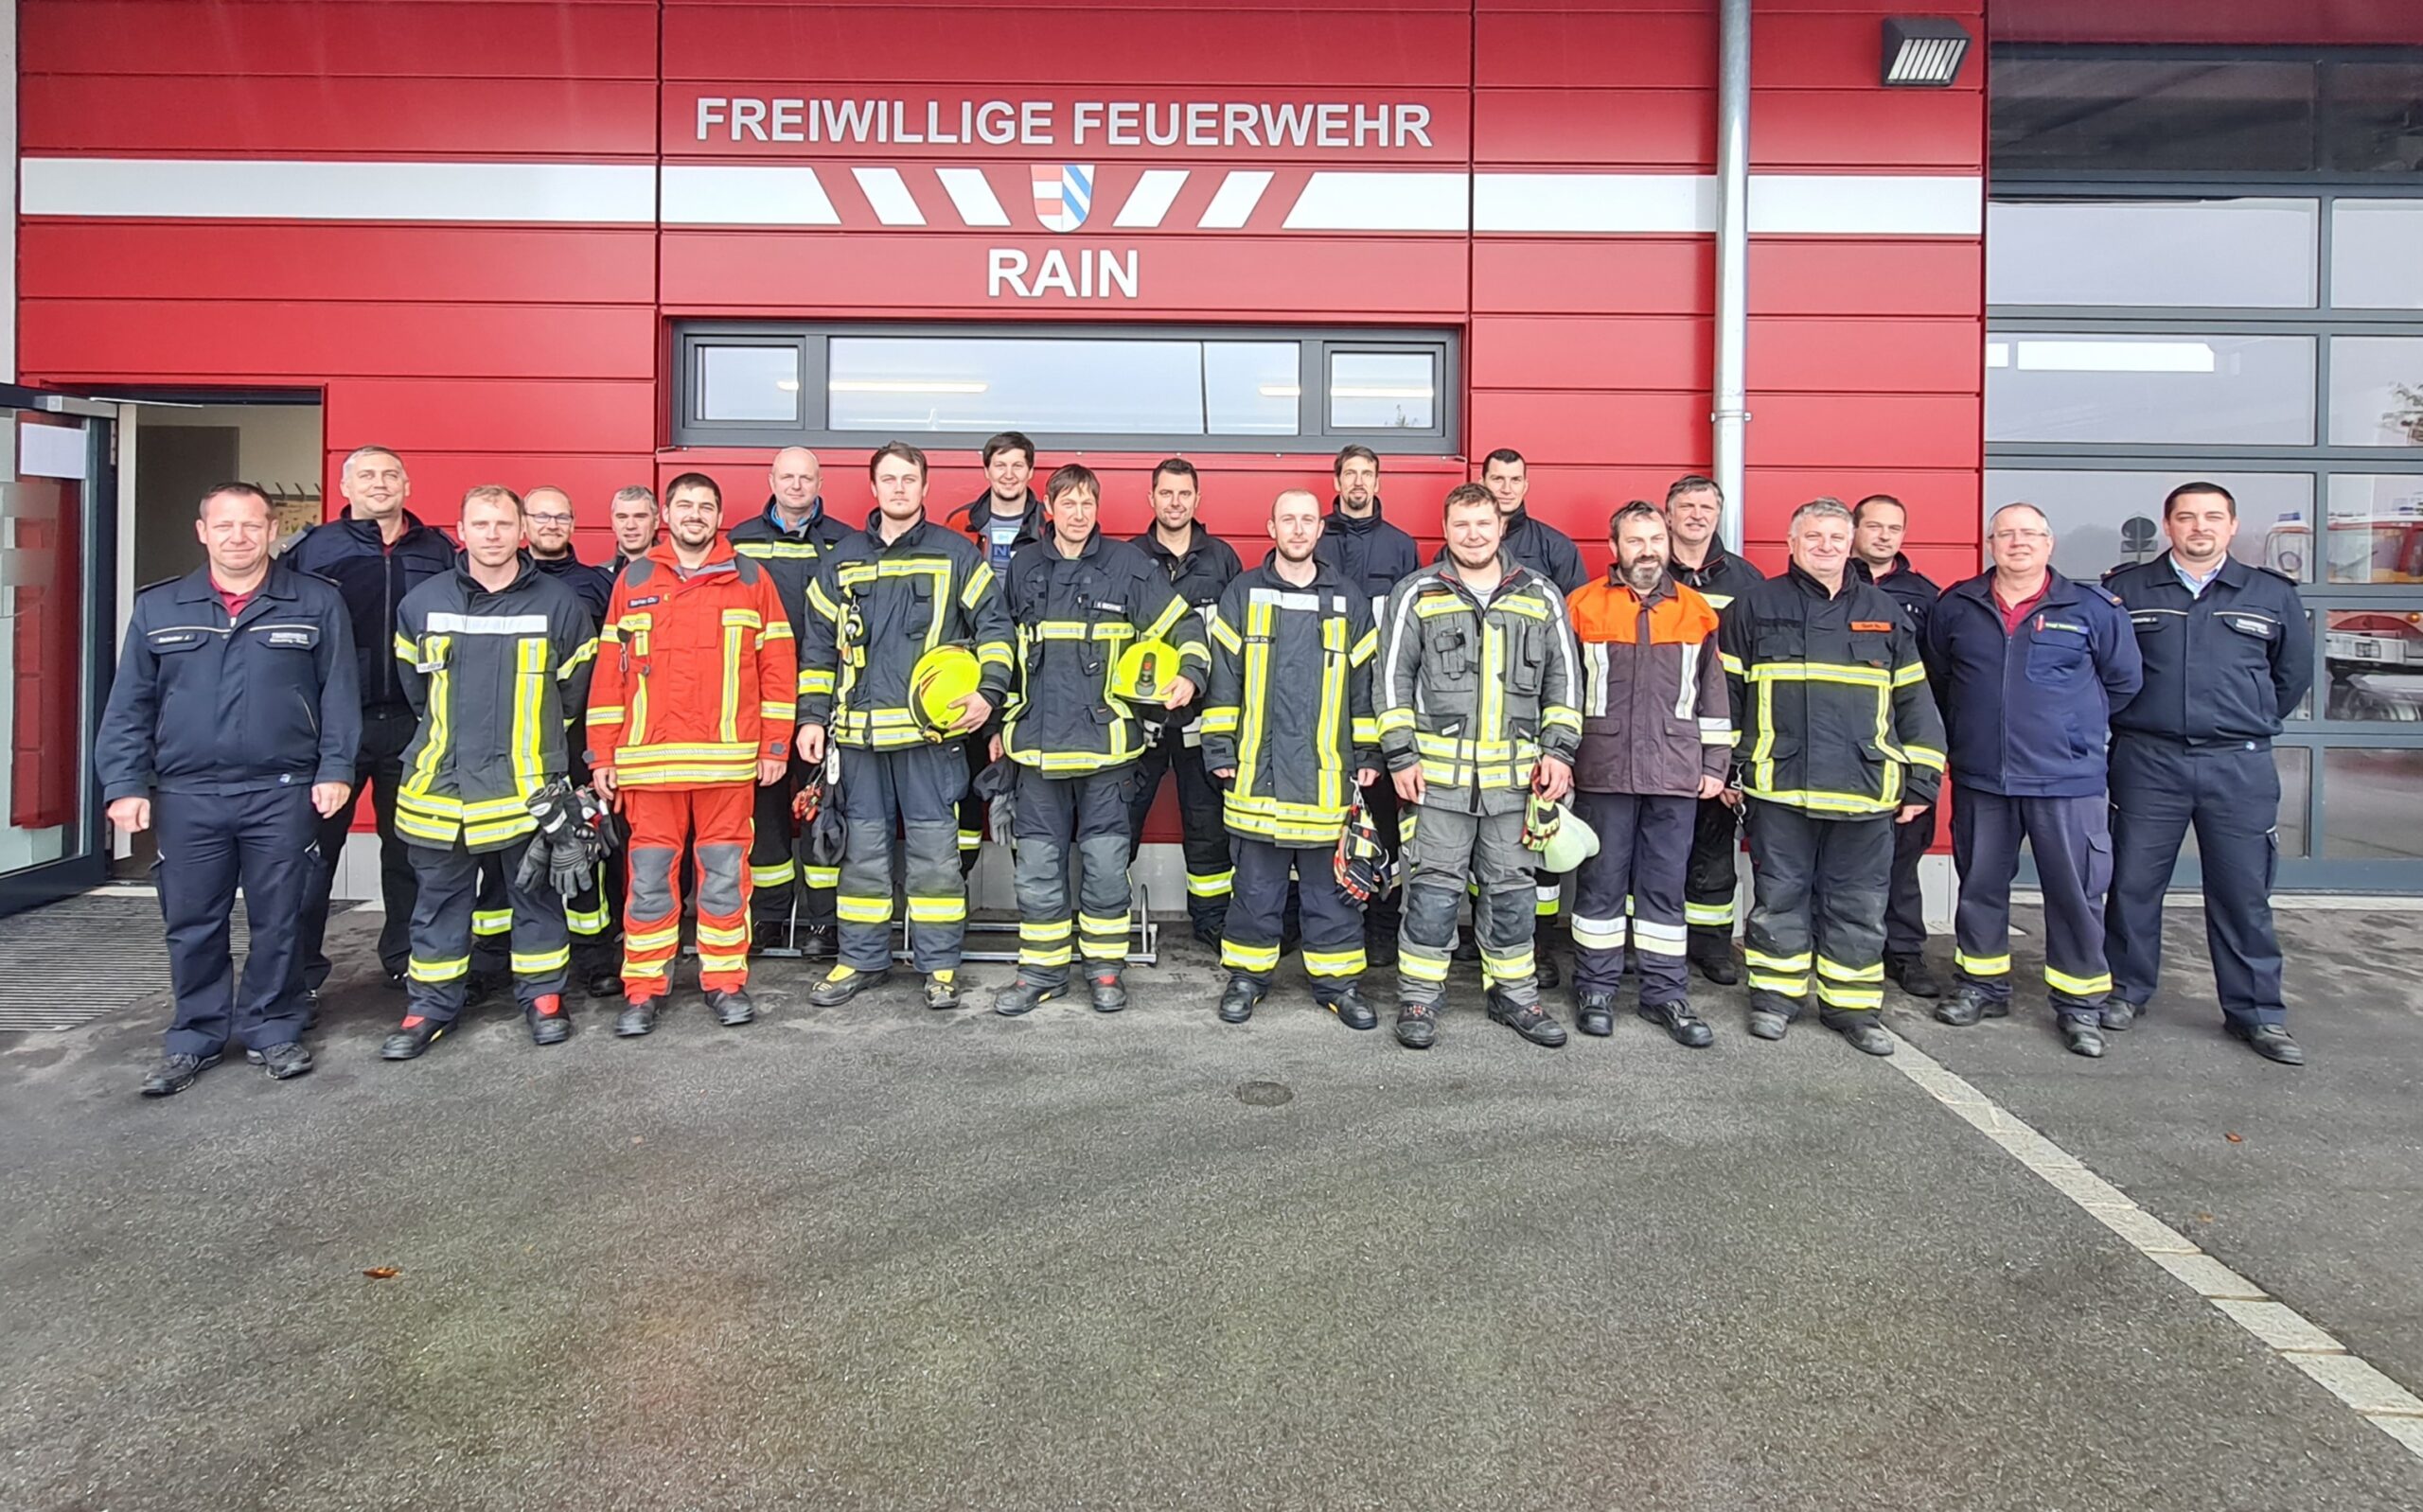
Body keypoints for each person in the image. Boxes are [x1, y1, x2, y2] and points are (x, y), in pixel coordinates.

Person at [99, 483, 360, 1096]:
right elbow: (130, 706)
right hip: (189, 793)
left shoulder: (315, 602)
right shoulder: (161, 607)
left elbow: (339, 695)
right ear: (203, 532)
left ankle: (274, 1027)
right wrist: (125, 783)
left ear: (273, 531)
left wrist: (335, 769)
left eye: (251, 525)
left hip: (284, 789)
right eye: (225, 526)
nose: (238, 537)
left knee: (282, 917)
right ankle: (196, 1035)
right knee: (191, 920)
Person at [1721, 498, 1944, 1057]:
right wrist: (1725, 766)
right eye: (1813, 537)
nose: (1825, 547)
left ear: (1851, 544)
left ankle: (1853, 1006)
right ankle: (1775, 999)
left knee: (1859, 902)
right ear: (1791, 543)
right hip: (1780, 784)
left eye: (1835, 538)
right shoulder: (1754, 606)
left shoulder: (1884, 611)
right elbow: (1725, 698)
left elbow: (1916, 702)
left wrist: (1922, 780)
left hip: (1865, 788)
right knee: (1778, 896)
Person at [380, 485, 598, 1060]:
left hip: (528, 788)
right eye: (481, 524)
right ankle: (430, 1005)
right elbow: (416, 691)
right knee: (438, 901)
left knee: (537, 897)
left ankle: (544, 997)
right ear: (461, 529)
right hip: (440, 786)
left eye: (503, 523)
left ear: (521, 530)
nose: (493, 534)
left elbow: (574, 697)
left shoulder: (559, 605)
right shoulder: (422, 604)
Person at [2103, 482, 2315, 1065]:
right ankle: (2124, 991)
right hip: (2148, 760)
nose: (2200, 527)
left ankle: (2256, 1013)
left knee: (2243, 893)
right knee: (2131, 886)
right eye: (2188, 517)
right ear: (2167, 526)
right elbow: (2106, 667)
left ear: (2231, 526)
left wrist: (2246, 716)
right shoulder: (2127, 590)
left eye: (2213, 518)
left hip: (2237, 764)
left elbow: (2291, 674)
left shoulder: (2269, 593)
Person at [799, 443, 1015, 1011]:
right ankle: (861, 960)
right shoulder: (841, 559)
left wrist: (988, 692)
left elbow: (996, 627)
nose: (899, 489)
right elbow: (818, 649)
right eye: (888, 480)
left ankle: (940, 965)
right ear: (873, 488)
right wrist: (811, 718)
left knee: (935, 858)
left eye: (909, 480)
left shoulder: (956, 555)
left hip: (930, 742)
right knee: (862, 856)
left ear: (925, 487)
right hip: (859, 743)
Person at [991, 464, 1207, 1015]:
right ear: (1049, 507)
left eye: (1088, 503)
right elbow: (999, 650)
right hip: (1035, 752)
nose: (1079, 514)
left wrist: (1189, 674)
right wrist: (997, 726)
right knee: (1038, 866)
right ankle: (1040, 970)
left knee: (1107, 865)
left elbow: (1186, 628)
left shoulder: (1128, 567)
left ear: (1098, 508)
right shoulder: (1022, 567)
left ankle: (1105, 968)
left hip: (1108, 751)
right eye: (1068, 504)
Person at [1928, 504, 2142, 1058]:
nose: (2017, 543)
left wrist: (2069, 734)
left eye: (2029, 534)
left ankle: (2079, 1006)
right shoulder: (1958, 606)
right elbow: (1941, 681)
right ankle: (1981, 987)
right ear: (1990, 542)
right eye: (2006, 534)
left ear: (2049, 543)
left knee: (2074, 895)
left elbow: (2122, 683)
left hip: (2066, 780)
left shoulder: (2093, 608)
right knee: (1979, 889)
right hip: (1983, 778)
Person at [587, 472, 795, 1035]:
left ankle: (725, 982)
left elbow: (777, 668)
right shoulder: (633, 579)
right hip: (649, 766)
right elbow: (610, 675)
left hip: (727, 763)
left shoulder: (751, 578)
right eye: (684, 506)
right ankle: (643, 988)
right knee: (650, 879)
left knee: (724, 877)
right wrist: (601, 754)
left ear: (719, 515)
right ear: (666, 516)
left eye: (705, 506)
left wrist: (775, 744)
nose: (694, 515)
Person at [1378, 483, 1582, 1050]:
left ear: (1501, 527)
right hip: (1437, 782)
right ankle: (1419, 997)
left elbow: (1564, 681)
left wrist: (1559, 752)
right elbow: (1390, 680)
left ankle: (1514, 995)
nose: (1473, 535)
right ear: (1446, 530)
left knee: (1513, 890)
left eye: (1483, 524)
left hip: (1517, 783)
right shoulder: (1417, 593)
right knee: (1433, 891)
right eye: (1462, 525)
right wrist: (1400, 755)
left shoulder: (1539, 595)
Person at [1201, 488, 1381, 1028]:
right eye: (1288, 520)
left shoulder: (1349, 600)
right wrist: (1217, 746)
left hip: (1329, 776)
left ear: (1319, 529)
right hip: (1258, 772)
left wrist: (1369, 749)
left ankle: (1339, 984)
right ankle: (1246, 978)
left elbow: (1364, 688)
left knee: (1330, 894)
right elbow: (1222, 679)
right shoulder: (1243, 593)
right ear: (1270, 527)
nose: (1298, 529)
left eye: (1307, 520)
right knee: (1256, 889)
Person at [286, 445, 452, 995]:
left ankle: (403, 957)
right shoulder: (312, 552)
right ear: (345, 488)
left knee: (408, 850)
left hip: (412, 721)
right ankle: (300, 973)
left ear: (407, 485)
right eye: (366, 476)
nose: (379, 484)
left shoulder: (439, 550)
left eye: (389, 475)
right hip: (333, 728)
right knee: (312, 854)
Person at [1563, 501, 1729, 1046]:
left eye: (1655, 539)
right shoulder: (1581, 607)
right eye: (1635, 541)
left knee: (1664, 891)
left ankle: (1666, 994)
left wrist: (1714, 765)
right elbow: (1560, 693)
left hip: (1675, 772)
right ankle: (1595, 989)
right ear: (1614, 549)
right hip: (1602, 770)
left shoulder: (1696, 611)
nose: (1647, 551)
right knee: (1601, 887)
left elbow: (1713, 695)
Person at [1440, 448, 1590, 986]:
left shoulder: (1552, 557)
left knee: (1521, 876)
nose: (1505, 487)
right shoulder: (1437, 573)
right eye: (1495, 479)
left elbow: (1566, 660)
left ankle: (1533, 959)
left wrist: (1559, 747)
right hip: (1453, 768)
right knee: (1452, 877)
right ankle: (1454, 968)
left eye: (1514, 479)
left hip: (1522, 758)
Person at [728, 447, 851, 960]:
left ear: (820, 481)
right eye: (788, 476)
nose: (797, 485)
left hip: (827, 696)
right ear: (771, 479)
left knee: (821, 810)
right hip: (757, 698)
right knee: (767, 815)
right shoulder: (740, 542)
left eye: (806, 477)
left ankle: (823, 923)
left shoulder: (845, 542)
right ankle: (772, 917)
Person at [504, 483, 618, 996]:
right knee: (506, 853)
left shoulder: (594, 585)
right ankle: (497, 959)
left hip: (571, 738)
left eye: (561, 517)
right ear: (524, 523)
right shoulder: (494, 585)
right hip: (505, 740)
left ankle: (593, 959)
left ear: (574, 525)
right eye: (541, 517)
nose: (551, 526)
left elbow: (603, 669)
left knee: (582, 845)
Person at [1126, 457, 1243, 945]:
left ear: (1197, 499)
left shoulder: (1222, 561)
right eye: (1166, 493)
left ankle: (1212, 923)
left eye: (1184, 494)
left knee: (1207, 828)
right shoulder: (1127, 558)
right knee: (1120, 818)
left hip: (1202, 720)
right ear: (1150, 498)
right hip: (1138, 720)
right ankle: (1106, 915)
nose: (1175, 503)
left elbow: (1237, 645)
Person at [1314, 444, 1421, 965]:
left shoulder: (1401, 547)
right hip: (1319, 698)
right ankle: (1324, 916)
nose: (1358, 482)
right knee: (1319, 813)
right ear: (1337, 480)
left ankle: (1382, 920)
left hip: (1380, 701)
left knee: (1384, 816)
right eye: (1350, 473)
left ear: (1378, 483)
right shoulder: (1314, 539)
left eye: (1367, 474)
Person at [1663, 472, 1765, 987]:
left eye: (1707, 506)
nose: (1697, 515)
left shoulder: (1748, 584)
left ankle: (1711, 947)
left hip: (1718, 737)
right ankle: (1653, 943)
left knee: (1712, 847)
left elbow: (1757, 676)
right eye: (1687, 506)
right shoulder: (1647, 571)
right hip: (1660, 735)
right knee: (1655, 845)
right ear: (1668, 514)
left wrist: (1737, 757)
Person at [1848, 494, 1950, 999]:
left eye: (1894, 528)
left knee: (1902, 864)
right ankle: (1841, 950)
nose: (1884, 536)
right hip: (1843, 752)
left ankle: (1905, 954)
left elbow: (1934, 686)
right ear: (1854, 529)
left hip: (1901, 750)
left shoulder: (1926, 597)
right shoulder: (1830, 587)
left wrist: (1924, 768)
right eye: (1874, 526)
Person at [948, 431, 1047, 874]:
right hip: (967, 667)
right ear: (987, 470)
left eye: (1018, 465)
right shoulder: (957, 525)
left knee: (1028, 782)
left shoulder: (1050, 524)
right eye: (1000, 465)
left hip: (1032, 670)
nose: (1009, 474)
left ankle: (1033, 886)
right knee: (964, 779)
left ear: (1030, 471)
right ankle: (956, 879)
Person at [607, 484, 659, 573]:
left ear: (656, 521)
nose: (630, 526)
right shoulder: (596, 578)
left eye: (640, 517)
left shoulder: (678, 574)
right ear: (613, 523)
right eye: (622, 517)